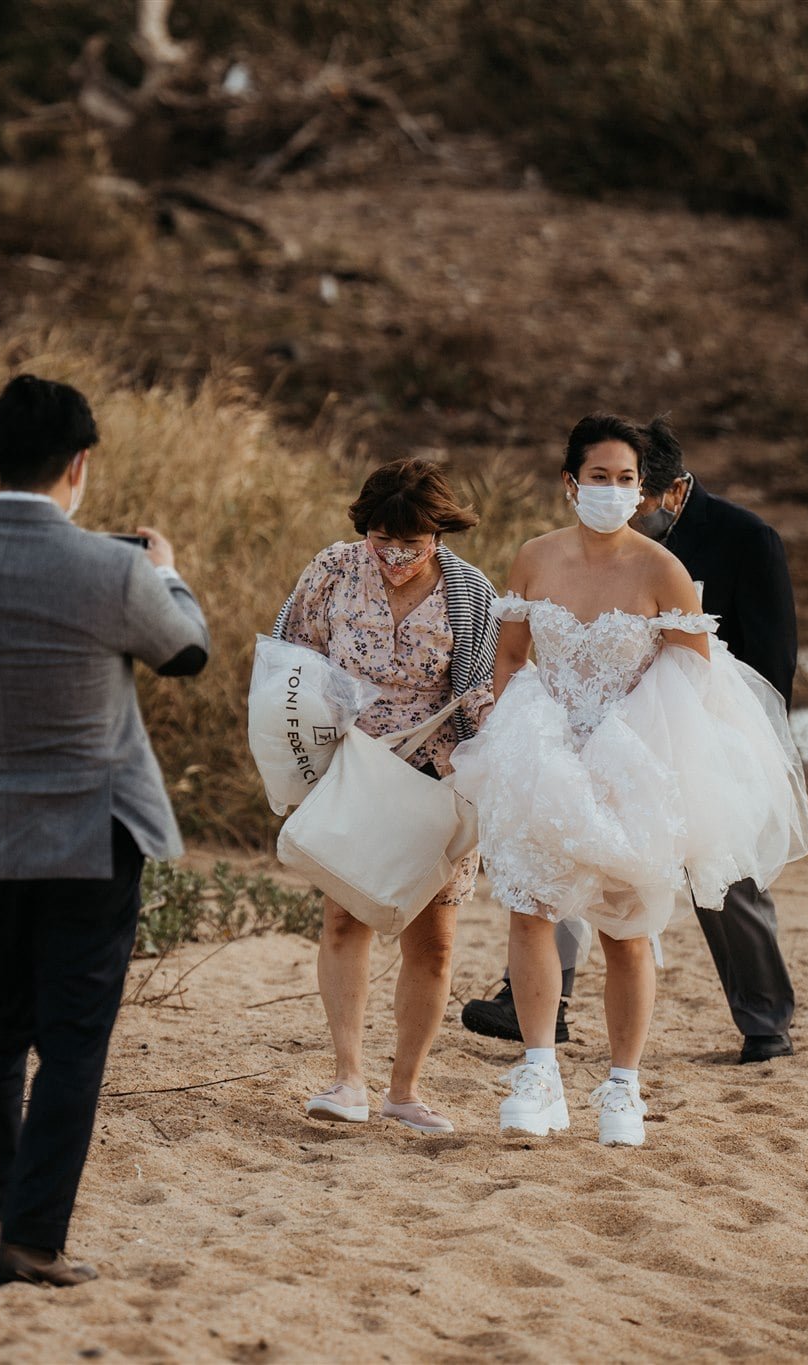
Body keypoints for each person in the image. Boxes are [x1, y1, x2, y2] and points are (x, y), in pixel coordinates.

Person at [0, 375, 211, 1288]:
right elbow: (186, 648)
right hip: (87, 830)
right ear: (79, 466)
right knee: (73, 1038)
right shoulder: (112, 570)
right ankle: (32, 1236)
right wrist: (164, 569)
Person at [449, 415, 808, 1148]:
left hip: (628, 761)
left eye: (625, 480)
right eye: (598, 477)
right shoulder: (534, 559)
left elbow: (696, 671)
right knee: (531, 909)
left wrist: (644, 744)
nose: (612, 490)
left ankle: (622, 1085)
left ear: (642, 489)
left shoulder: (661, 570)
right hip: (547, 756)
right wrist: (507, 732)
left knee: (626, 930)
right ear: (569, 482)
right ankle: (540, 1070)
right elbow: (512, 655)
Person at [272, 458, 497, 1136]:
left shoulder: (470, 591)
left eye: (414, 544)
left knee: (433, 941)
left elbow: (482, 692)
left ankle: (406, 1088)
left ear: (439, 533)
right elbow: (290, 657)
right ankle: (348, 1077)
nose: (397, 557)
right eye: (384, 541)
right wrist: (304, 755)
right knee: (346, 918)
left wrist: (492, 772)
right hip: (353, 771)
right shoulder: (335, 569)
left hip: (436, 780)